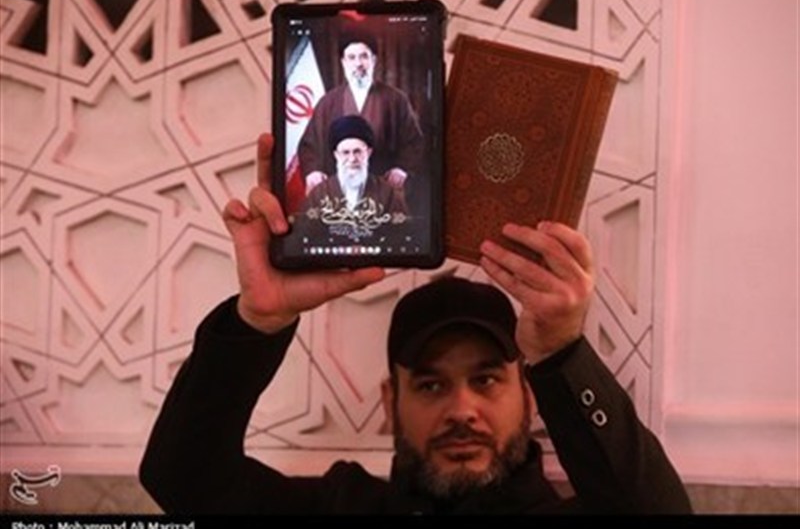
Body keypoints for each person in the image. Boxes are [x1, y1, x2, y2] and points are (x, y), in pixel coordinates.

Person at [139, 134, 693, 514]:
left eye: (486, 379)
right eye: (430, 384)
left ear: (528, 396)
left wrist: (561, 350)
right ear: (390, 401)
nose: (461, 410)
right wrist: (258, 320)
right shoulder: (339, 508)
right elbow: (182, 478)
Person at [298, 30, 424, 196]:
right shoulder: (327, 103)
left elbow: (414, 141)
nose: (358, 63)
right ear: (343, 62)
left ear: (374, 60)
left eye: (364, 56)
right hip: (338, 194)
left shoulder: (395, 99)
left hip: (384, 191)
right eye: (351, 57)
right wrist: (313, 171)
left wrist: (401, 168)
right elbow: (309, 146)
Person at [295, 114, 408, 241]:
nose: (352, 159)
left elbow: (402, 236)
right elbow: (305, 237)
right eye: (345, 152)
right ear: (336, 155)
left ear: (368, 153)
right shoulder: (318, 195)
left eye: (357, 151)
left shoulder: (388, 194)